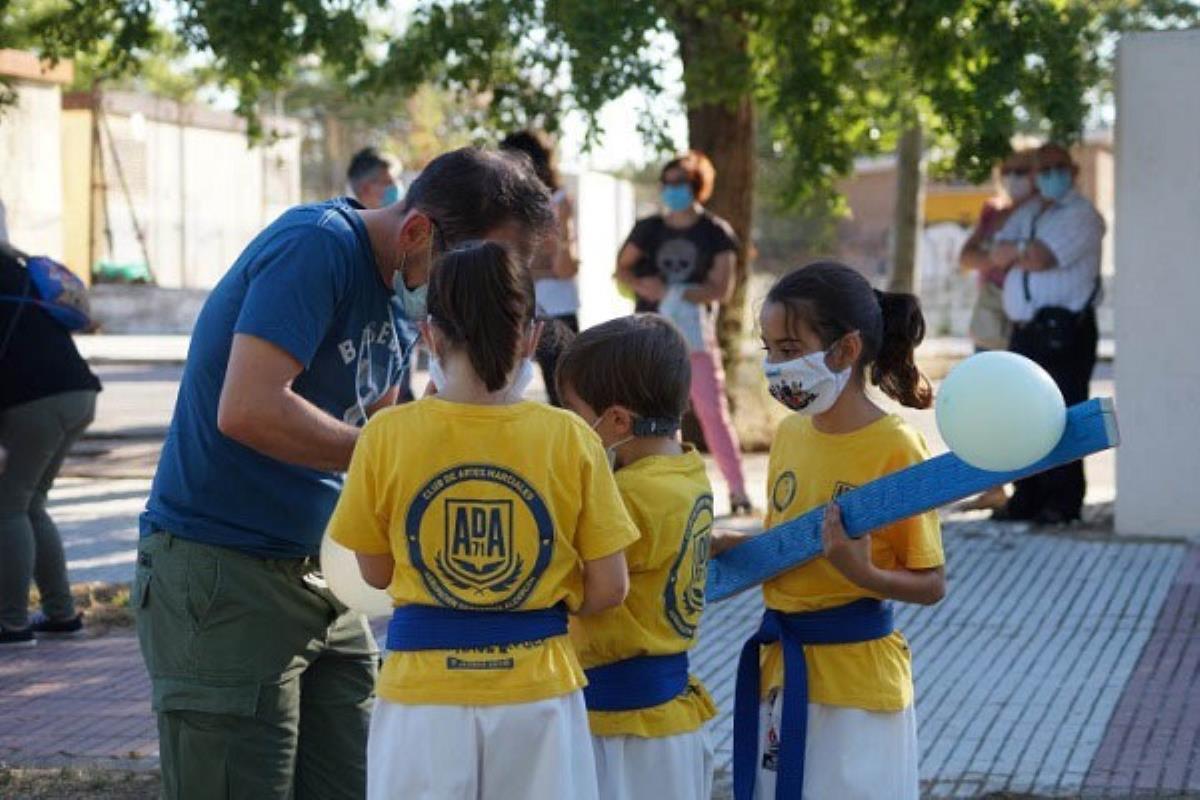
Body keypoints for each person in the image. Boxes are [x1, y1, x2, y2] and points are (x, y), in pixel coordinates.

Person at [135, 148, 553, 799]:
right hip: (227, 578)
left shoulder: (402, 292)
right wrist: (399, 458)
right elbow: (248, 407)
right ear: (417, 232)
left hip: (326, 582)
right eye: (470, 274)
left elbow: (379, 428)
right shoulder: (317, 247)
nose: (476, 299)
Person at [327, 241, 638, 799]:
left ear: (431, 334)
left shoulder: (386, 435)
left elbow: (375, 573)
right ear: (533, 336)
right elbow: (610, 588)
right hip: (538, 691)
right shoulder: (571, 438)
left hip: (421, 695)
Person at [714, 262, 946, 800]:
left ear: (845, 350)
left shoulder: (896, 447)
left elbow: (931, 584)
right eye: (769, 349)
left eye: (790, 349)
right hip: (783, 674)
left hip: (858, 686)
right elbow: (798, 551)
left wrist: (862, 573)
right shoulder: (791, 435)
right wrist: (738, 548)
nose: (775, 366)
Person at [556, 314, 717, 800]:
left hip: (620, 729)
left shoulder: (623, 495)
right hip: (668, 719)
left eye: (575, 413)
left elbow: (582, 583)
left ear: (618, 421)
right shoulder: (689, 471)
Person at [616, 151, 751, 514]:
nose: (671, 189)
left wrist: (684, 293)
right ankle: (665, 494)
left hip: (695, 338)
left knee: (713, 415)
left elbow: (722, 286)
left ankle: (738, 491)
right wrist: (647, 286)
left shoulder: (716, 233)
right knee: (656, 417)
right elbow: (622, 269)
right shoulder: (648, 230)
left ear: (696, 187)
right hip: (649, 338)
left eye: (680, 183)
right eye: (667, 182)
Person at [989, 142, 1105, 526]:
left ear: (1073, 172)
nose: (1052, 174)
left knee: (1064, 415)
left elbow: (1040, 258)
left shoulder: (1082, 215)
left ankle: (1063, 502)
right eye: (1044, 168)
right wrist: (1021, 250)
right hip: (1025, 331)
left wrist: (1018, 253)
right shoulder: (1032, 212)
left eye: (1059, 167)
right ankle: (1028, 496)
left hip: (1064, 331)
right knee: (1022, 415)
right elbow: (995, 251)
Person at [0, 243, 99, 646]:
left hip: (35, 400)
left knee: (7, 507)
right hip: (77, 392)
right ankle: (61, 615)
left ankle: (10, 623)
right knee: (30, 503)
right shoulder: (15, 264)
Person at [956, 148, 1039, 511]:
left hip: (1029, 316)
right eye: (1010, 170)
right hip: (992, 316)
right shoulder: (993, 211)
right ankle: (993, 486)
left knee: (1024, 403)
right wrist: (1000, 254)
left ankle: (1026, 487)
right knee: (987, 400)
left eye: (1023, 171)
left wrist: (997, 254)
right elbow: (966, 257)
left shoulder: (1044, 212)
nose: (1015, 177)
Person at [499, 130, 580, 406]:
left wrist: (554, 245)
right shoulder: (505, 203)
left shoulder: (558, 202)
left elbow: (564, 268)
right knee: (503, 391)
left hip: (556, 308)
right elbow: (508, 262)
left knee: (565, 394)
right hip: (517, 306)